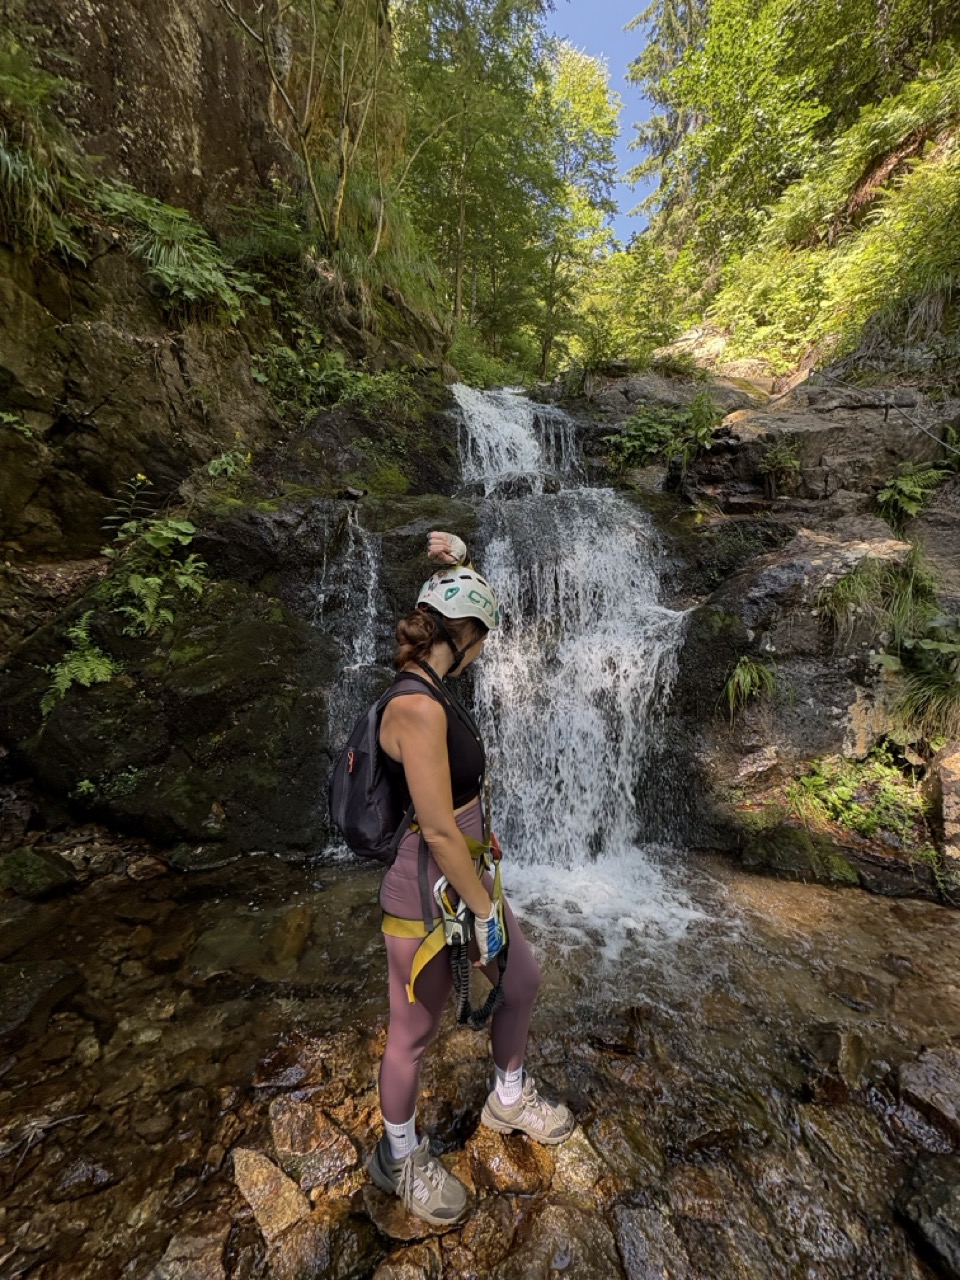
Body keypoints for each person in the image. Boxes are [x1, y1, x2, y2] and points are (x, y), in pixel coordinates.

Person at [367, 530, 574, 1226]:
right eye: (481, 638)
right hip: (427, 888)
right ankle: (399, 1157)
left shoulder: (434, 684)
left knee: (521, 980)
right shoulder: (415, 708)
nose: (485, 651)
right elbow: (434, 829)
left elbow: (455, 808)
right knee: (413, 1032)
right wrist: (485, 911)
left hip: (467, 871)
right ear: (462, 636)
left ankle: (508, 1098)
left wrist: (461, 564)